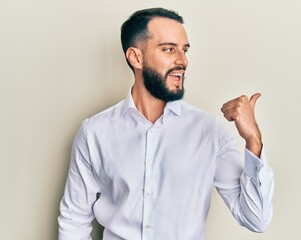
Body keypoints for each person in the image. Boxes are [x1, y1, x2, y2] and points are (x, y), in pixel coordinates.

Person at [58, 7, 274, 240]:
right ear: (136, 57)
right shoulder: (94, 133)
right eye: (169, 49)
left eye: (185, 50)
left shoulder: (208, 131)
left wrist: (254, 141)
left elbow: (256, 219)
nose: (183, 61)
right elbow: (74, 220)